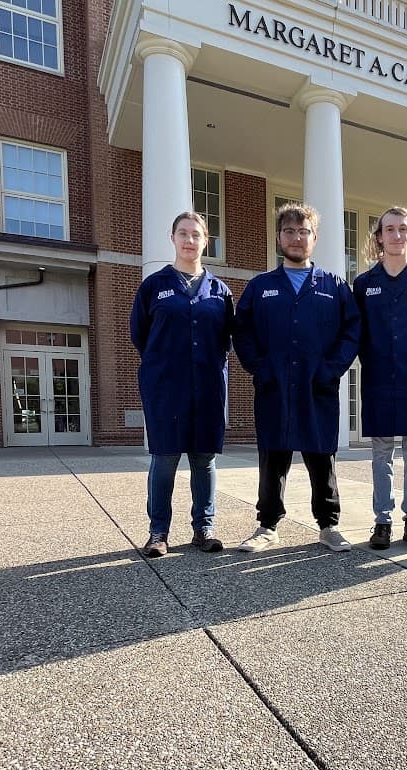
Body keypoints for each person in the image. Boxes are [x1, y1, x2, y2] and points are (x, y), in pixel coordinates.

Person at [232, 202, 361, 553]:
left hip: (316, 386)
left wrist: (332, 369)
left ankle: (329, 525)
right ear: (278, 237)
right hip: (274, 386)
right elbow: (241, 330)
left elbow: (353, 330)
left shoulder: (333, 285)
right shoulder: (261, 286)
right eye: (289, 231)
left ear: (314, 238)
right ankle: (268, 525)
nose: (296, 238)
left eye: (303, 232)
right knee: (273, 456)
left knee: (321, 456)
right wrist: (259, 368)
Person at [129, 211, 233, 557]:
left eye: (196, 235)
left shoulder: (220, 292)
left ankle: (203, 530)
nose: (190, 241)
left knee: (204, 461)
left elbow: (228, 339)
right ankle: (158, 533)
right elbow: (140, 335)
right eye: (183, 234)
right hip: (166, 388)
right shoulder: (154, 287)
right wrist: (165, 365)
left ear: (206, 241)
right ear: (172, 238)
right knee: (165, 459)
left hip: (207, 388)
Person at [352, 208, 407, 550]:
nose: (396, 235)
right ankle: (382, 522)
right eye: (389, 229)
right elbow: (359, 334)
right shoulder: (364, 284)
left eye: (403, 229)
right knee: (381, 452)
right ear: (379, 236)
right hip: (377, 377)